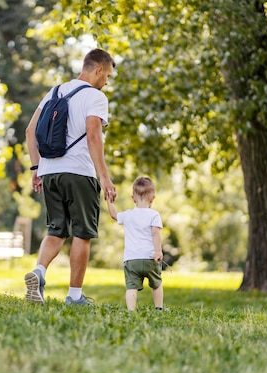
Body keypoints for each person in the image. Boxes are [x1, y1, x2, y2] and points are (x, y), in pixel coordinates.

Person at [23, 48, 117, 306]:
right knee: (82, 233)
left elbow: (30, 131)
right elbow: (93, 136)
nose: (106, 82)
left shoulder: (54, 91)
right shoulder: (95, 97)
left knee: (56, 230)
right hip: (79, 173)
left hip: (50, 172)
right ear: (98, 70)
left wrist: (36, 169)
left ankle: (39, 272)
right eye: (107, 76)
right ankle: (74, 296)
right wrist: (105, 178)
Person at [106, 176, 165, 311]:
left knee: (131, 287)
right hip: (150, 258)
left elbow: (114, 215)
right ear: (153, 198)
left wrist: (110, 201)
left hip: (132, 260)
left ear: (133, 198)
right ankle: (159, 308)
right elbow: (156, 233)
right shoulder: (154, 215)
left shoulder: (128, 215)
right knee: (156, 284)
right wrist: (158, 251)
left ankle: (131, 311)